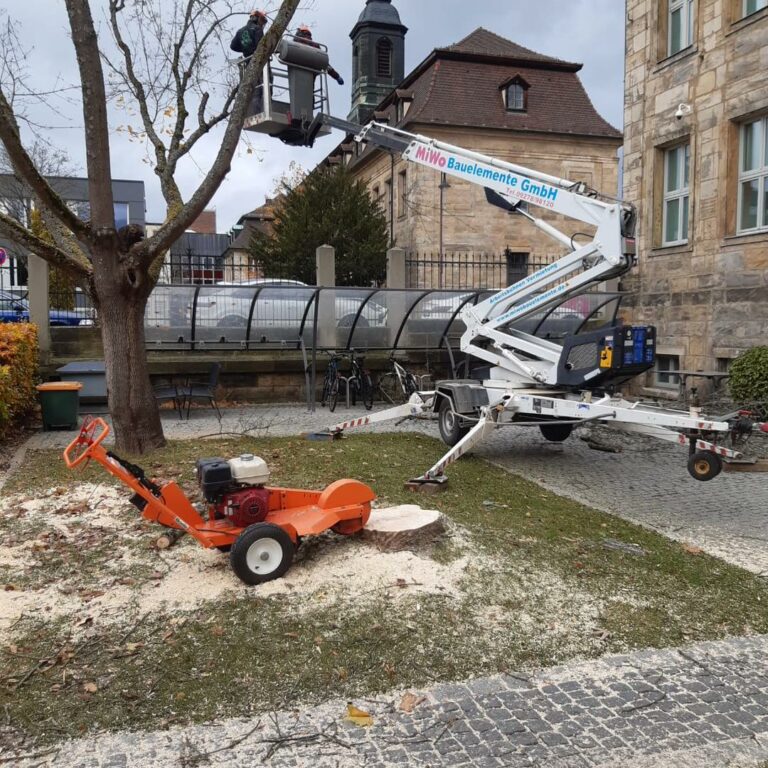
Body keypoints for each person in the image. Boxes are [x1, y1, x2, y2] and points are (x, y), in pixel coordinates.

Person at [231, 11, 269, 113]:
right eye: (262, 20)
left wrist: (245, 49)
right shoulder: (257, 29)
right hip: (259, 62)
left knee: (255, 88)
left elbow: (233, 46)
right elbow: (260, 47)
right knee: (267, 84)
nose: (262, 24)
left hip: (248, 63)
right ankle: (264, 109)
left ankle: (254, 111)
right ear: (256, 18)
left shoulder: (240, 31)